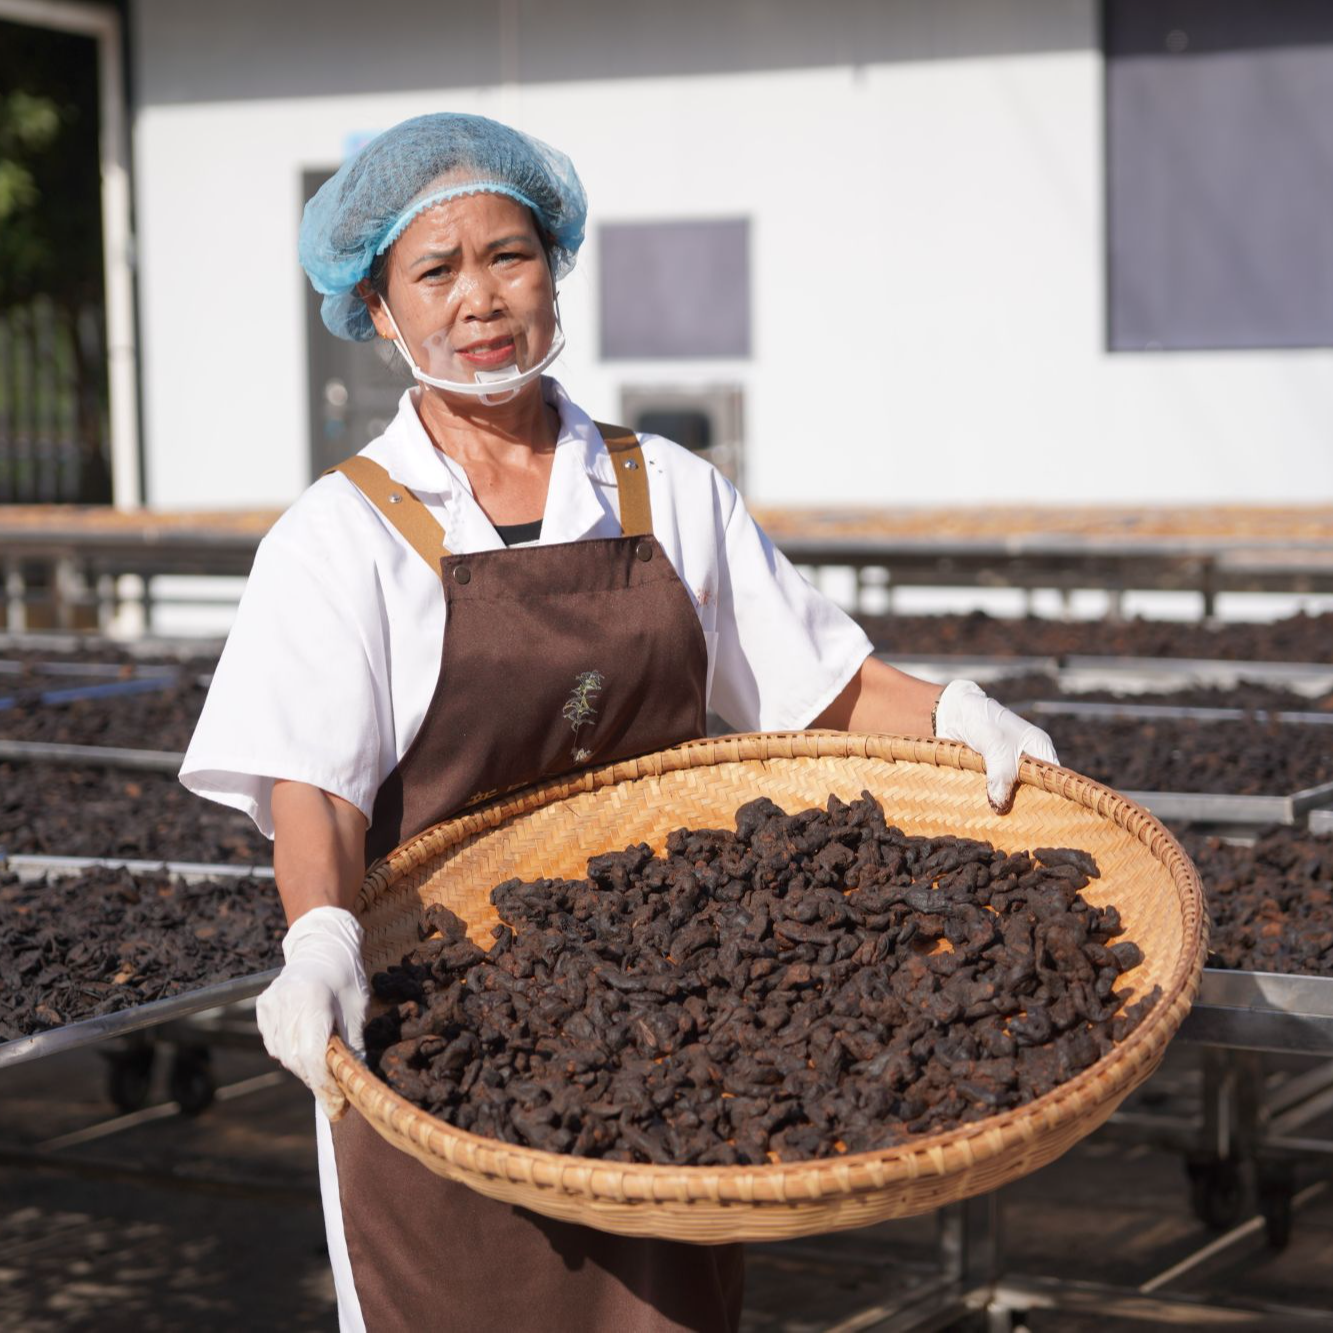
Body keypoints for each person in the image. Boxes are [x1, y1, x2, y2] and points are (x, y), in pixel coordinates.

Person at [181, 111, 1056, 1333]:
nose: (480, 297)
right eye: (435, 270)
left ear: (555, 270)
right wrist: (320, 937)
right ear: (378, 310)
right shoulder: (339, 539)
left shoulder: (668, 488)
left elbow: (819, 688)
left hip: (667, 1047)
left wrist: (955, 713)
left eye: (509, 255)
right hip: (441, 1041)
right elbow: (313, 788)